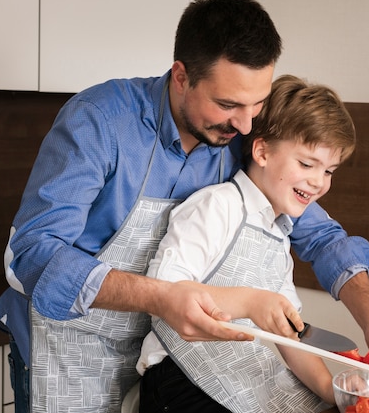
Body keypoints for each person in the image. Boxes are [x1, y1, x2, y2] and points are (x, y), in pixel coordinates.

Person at [0, 0, 369, 412]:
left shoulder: (237, 137)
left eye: (257, 103)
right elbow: (32, 255)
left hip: (159, 345)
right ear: (181, 76)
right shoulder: (100, 122)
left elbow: (325, 239)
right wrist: (163, 297)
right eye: (228, 104)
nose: (247, 123)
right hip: (70, 345)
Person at [136, 74, 354, 413]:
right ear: (262, 151)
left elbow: (290, 335)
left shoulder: (280, 236)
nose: (318, 182)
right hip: (177, 375)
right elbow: (163, 291)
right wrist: (250, 302)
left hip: (239, 375)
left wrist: (335, 392)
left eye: (329, 171)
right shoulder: (216, 206)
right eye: (307, 164)